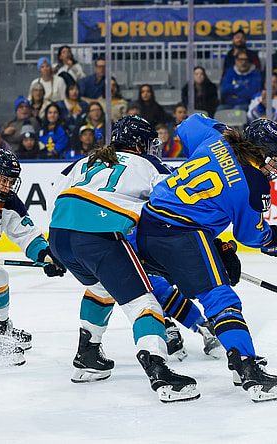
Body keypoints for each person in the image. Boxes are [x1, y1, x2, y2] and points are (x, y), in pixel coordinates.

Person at [135, 115, 277, 403]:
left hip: (145, 226)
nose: (274, 166)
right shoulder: (253, 182)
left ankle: (207, 337)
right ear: (259, 151)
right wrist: (274, 239)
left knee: (157, 284)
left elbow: (188, 124)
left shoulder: (219, 136)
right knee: (221, 298)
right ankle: (248, 369)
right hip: (182, 235)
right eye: (273, 158)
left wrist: (221, 131)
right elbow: (250, 234)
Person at [49, 115, 199, 402]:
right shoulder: (150, 165)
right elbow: (173, 205)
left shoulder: (83, 161)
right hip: (100, 235)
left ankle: (88, 355)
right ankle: (158, 370)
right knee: (145, 302)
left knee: (101, 287)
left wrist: (55, 248)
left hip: (60, 234)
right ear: (140, 142)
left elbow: (57, 195)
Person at [0, 148, 66, 365]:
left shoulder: (8, 203)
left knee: (0, 278)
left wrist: (46, 255)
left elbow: (27, 234)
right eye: (3, 180)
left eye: (11, 182)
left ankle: (0, 329)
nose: (7, 186)